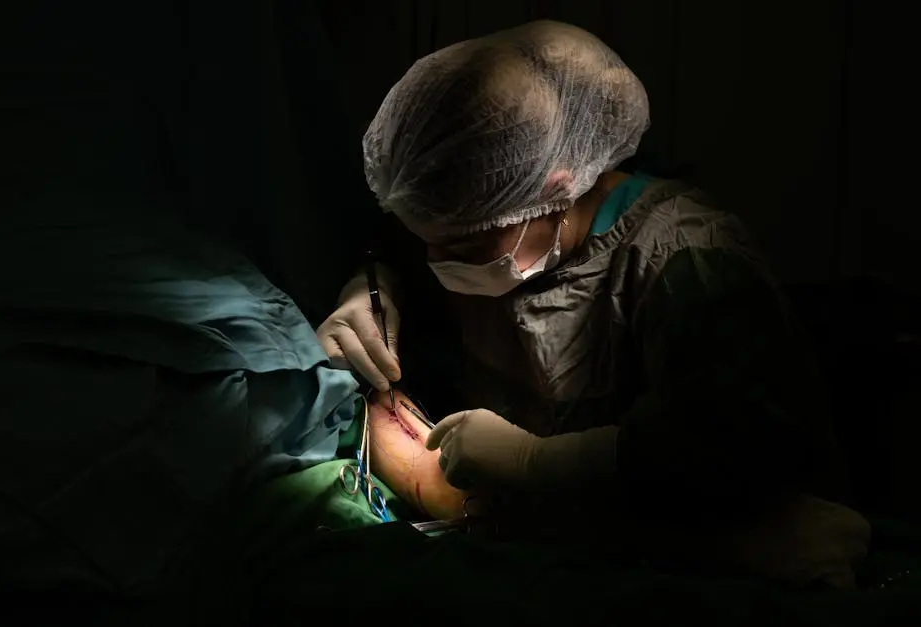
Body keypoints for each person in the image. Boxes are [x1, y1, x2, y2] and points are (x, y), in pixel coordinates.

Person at [317, 20, 870, 583]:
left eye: (464, 243)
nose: (438, 260)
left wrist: (535, 462)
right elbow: (420, 239)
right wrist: (373, 283)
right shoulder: (486, 216)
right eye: (423, 236)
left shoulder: (688, 262)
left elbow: (732, 450)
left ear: (556, 188)